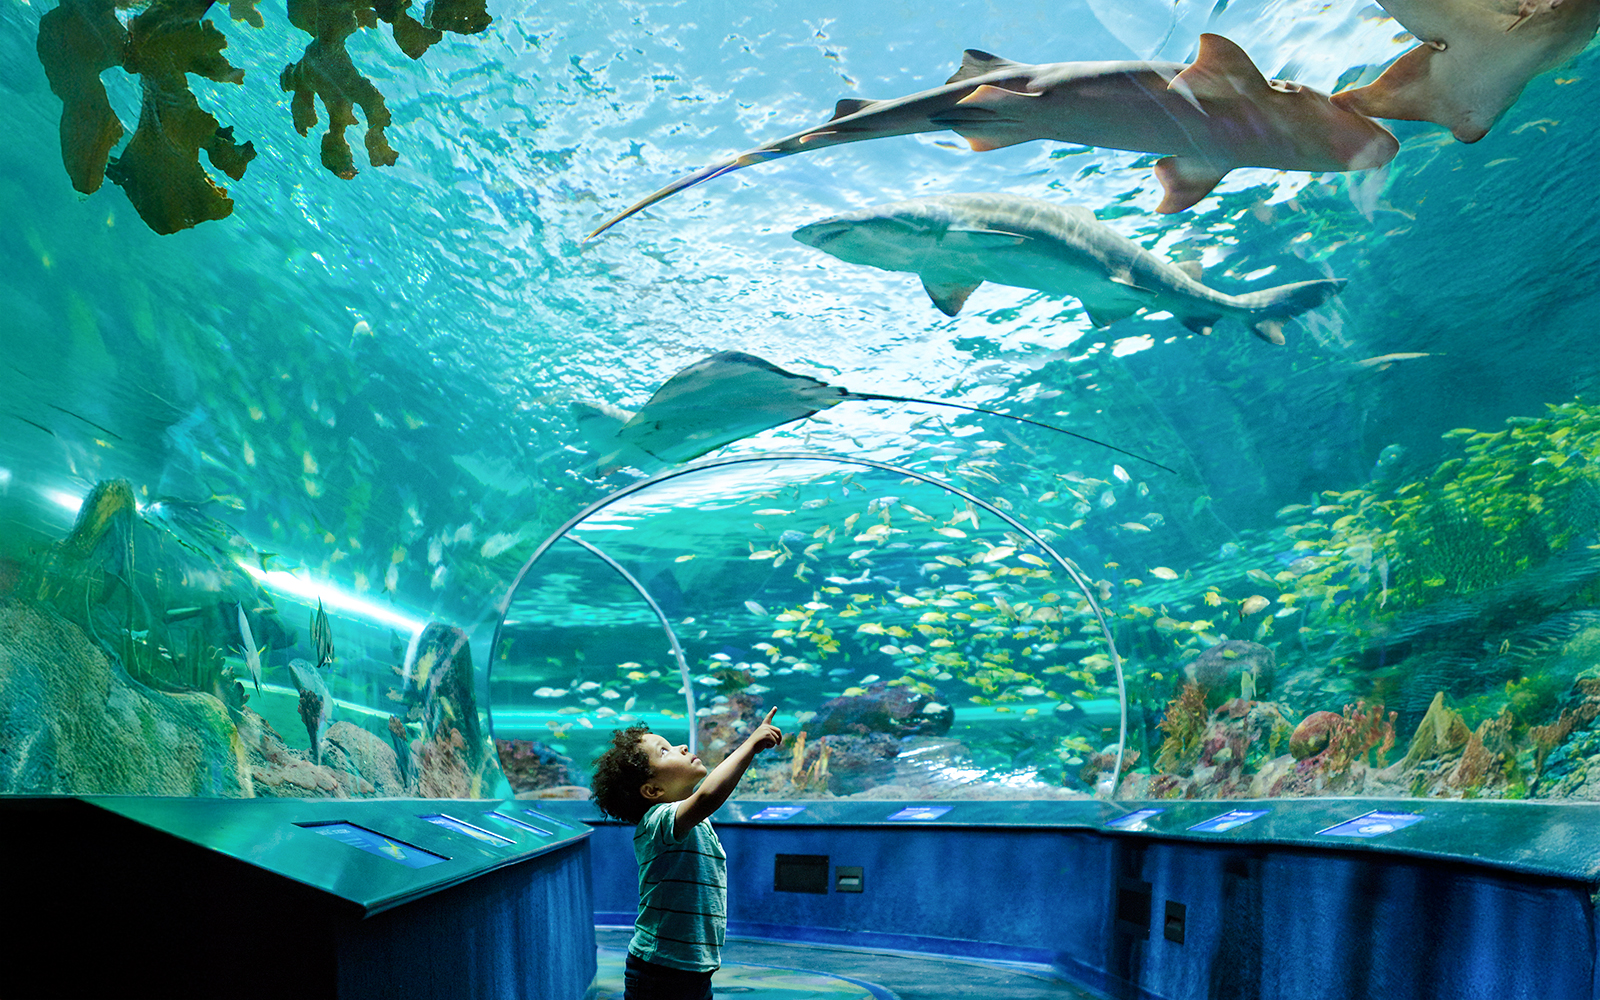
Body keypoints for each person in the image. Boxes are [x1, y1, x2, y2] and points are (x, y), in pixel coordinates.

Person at [590, 707, 784, 1000]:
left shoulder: (691, 821)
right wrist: (750, 745)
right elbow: (708, 796)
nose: (681, 747)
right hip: (660, 970)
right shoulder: (657, 822)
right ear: (652, 790)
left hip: (693, 969)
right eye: (665, 751)